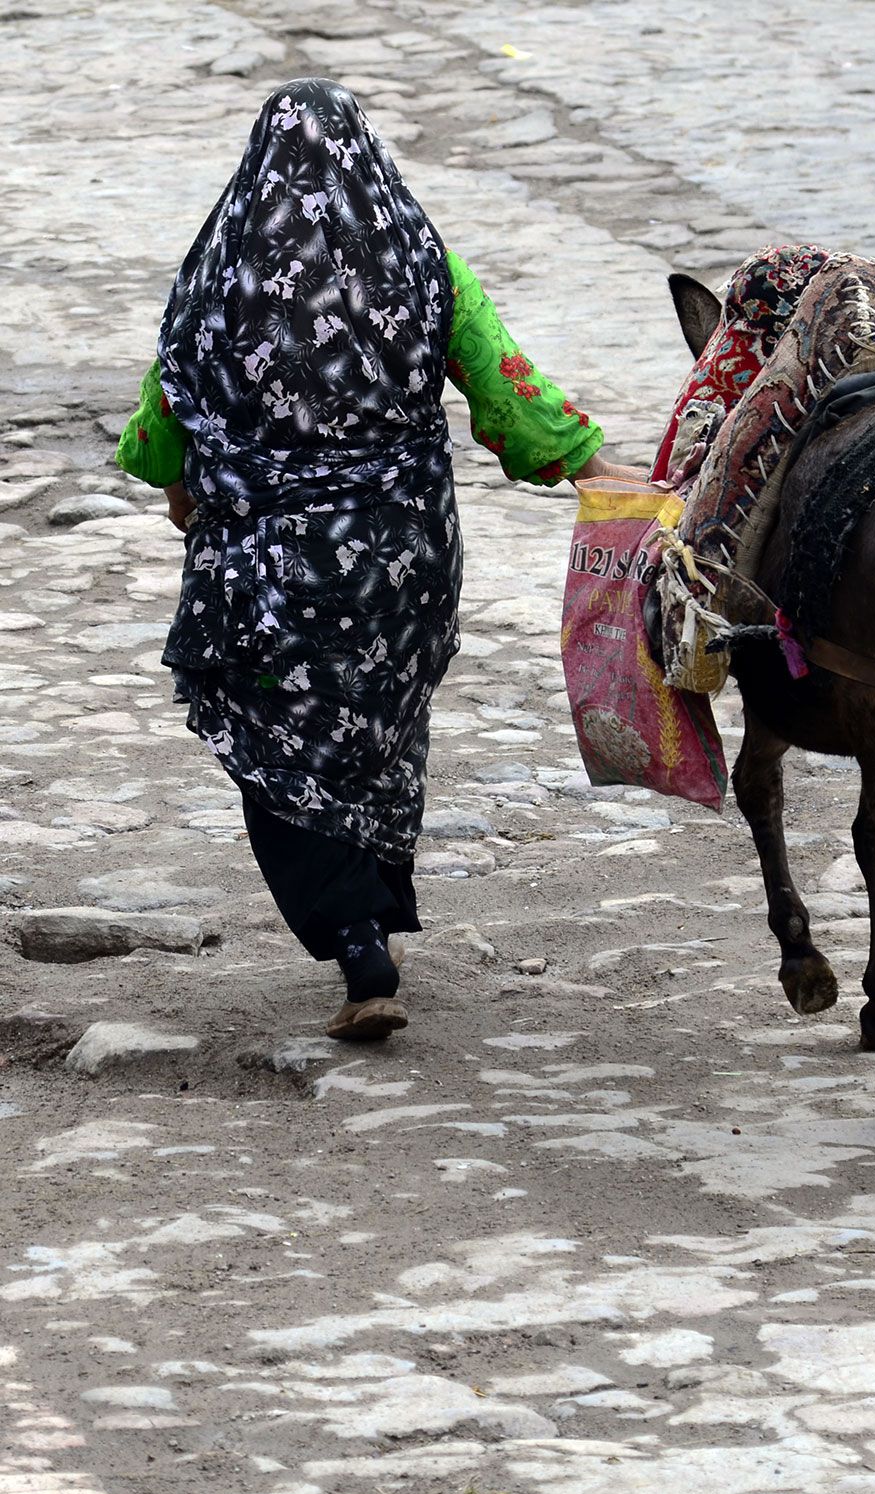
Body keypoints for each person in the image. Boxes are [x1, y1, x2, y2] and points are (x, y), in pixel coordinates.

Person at [116, 79, 637, 1042]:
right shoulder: (419, 261)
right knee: (381, 733)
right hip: (402, 561)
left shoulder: (215, 273)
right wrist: (600, 473)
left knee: (285, 750)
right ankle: (375, 919)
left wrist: (203, 490)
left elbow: (160, 440)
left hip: (267, 569)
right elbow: (505, 384)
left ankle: (357, 942)